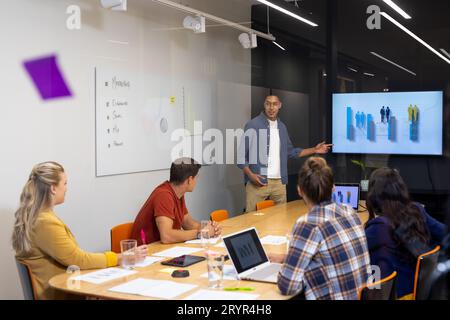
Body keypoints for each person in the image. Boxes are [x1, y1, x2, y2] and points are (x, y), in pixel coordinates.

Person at [11, 162, 148, 300]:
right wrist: (121, 257)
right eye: (64, 183)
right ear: (53, 188)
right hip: (61, 294)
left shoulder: (38, 217)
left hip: (66, 287)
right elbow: (78, 259)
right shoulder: (45, 222)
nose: (66, 189)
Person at [269, 157, 370, 300]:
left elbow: (287, 285)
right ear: (333, 187)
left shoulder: (308, 224)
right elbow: (329, 256)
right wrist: (287, 259)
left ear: (299, 190)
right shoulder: (349, 212)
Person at [238, 95, 332, 212]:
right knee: (251, 219)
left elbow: (291, 152)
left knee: (280, 218)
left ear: (280, 105)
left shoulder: (282, 127)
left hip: (279, 183)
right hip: (258, 181)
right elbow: (240, 156)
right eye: (268, 104)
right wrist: (251, 175)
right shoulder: (252, 125)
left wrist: (314, 150)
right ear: (264, 105)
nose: (271, 107)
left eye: (275, 104)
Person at [365, 168, 445, 299]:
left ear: (374, 195)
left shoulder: (378, 227)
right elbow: (444, 233)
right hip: (417, 289)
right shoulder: (417, 210)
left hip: (394, 294)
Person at [131, 158, 221, 245]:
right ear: (189, 180)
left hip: (162, 250)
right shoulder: (164, 195)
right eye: (196, 178)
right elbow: (166, 236)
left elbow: (189, 224)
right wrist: (200, 233)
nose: (197, 181)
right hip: (146, 253)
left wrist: (211, 228)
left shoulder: (178, 193)